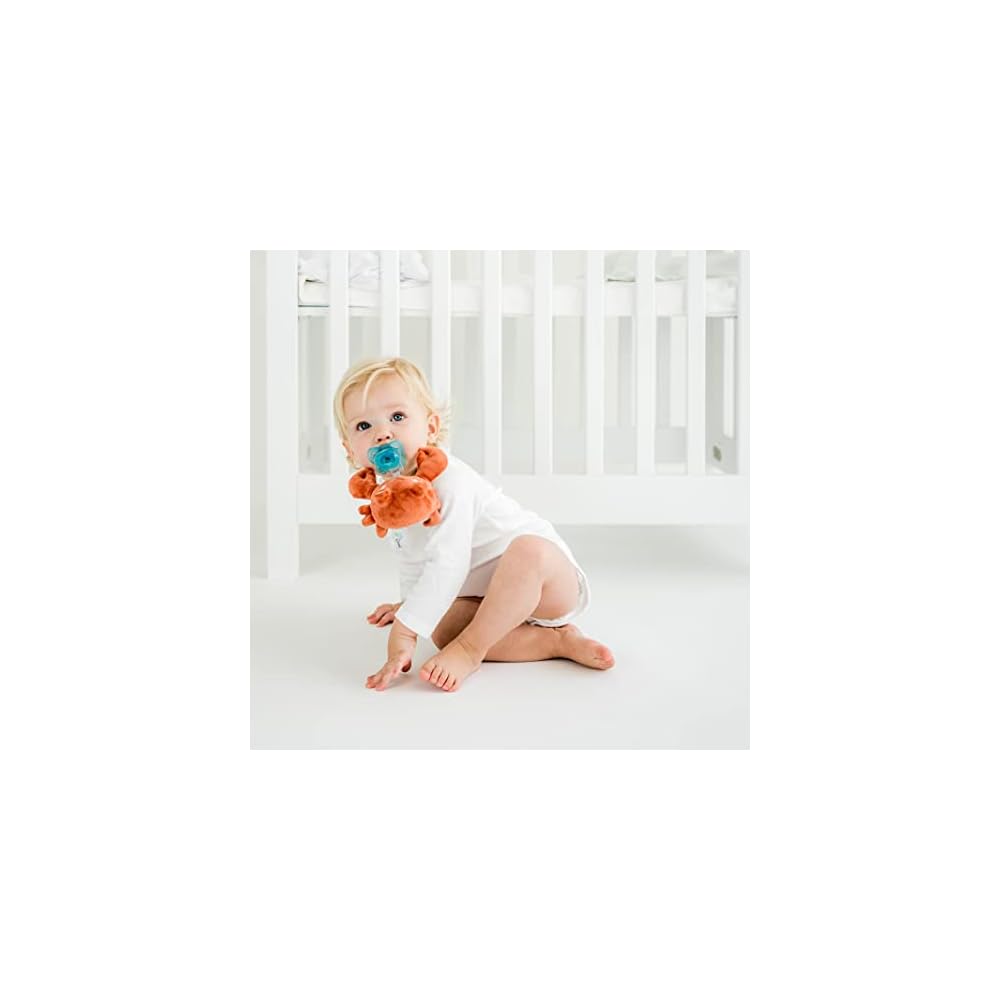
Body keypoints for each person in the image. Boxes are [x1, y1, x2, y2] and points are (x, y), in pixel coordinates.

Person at [334, 356, 615, 692]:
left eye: (397, 417)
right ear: (350, 449)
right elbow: (413, 557)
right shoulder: (391, 495)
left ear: (431, 427)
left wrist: (406, 631)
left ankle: (470, 651)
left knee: (528, 551)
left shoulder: (450, 481)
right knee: (442, 630)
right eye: (364, 426)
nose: (383, 434)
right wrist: (411, 606)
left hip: (548, 586)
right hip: (486, 598)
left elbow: (449, 561)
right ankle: (555, 642)